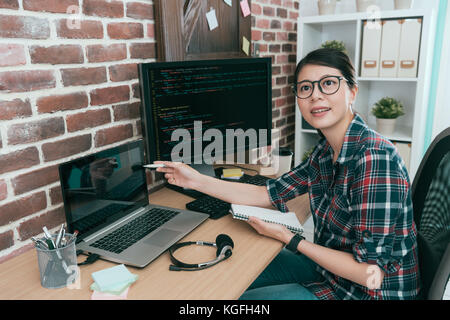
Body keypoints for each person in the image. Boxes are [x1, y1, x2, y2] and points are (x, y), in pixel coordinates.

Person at [155, 48, 420, 300]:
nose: (315, 95)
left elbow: (369, 273)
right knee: (227, 274)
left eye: (328, 83)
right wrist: (194, 180)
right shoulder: (326, 150)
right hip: (331, 272)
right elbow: (266, 193)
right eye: (305, 88)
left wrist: (288, 237)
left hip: (363, 292)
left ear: (352, 91)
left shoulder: (374, 159)